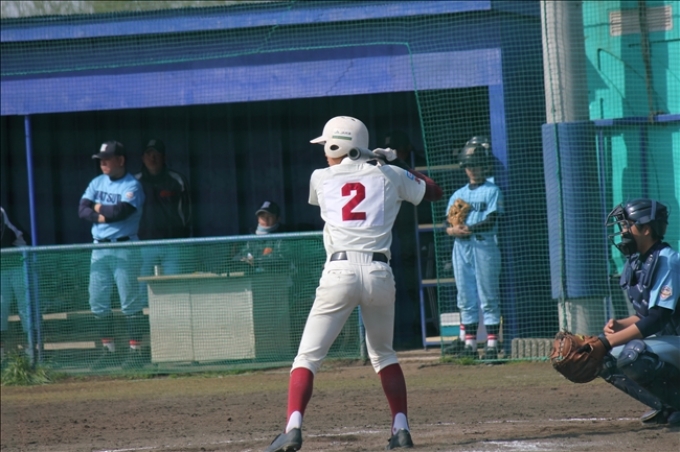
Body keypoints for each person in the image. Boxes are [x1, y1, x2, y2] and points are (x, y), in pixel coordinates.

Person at [264, 116, 443, 451]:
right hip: (378, 273)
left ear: (339, 146)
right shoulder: (389, 174)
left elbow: (344, 183)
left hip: (340, 272)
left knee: (307, 357)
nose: (325, 153)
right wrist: (397, 164)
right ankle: (401, 429)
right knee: (384, 355)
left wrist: (376, 163)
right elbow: (434, 191)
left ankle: (293, 428)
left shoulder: (320, 177)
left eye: (328, 147)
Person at [600, 198, 679, 426]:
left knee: (633, 354)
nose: (622, 231)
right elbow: (646, 315)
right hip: (673, 340)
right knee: (600, 358)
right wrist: (619, 326)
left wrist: (605, 342)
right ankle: (667, 405)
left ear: (646, 229)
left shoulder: (667, 260)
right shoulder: (639, 262)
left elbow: (657, 319)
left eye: (627, 225)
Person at [78, 141, 147, 370]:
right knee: (97, 301)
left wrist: (96, 207)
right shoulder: (97, 182)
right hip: (99, 248)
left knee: (130, 302)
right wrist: (101, 213)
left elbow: (119, 212)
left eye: (107, 159)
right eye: (101, 159)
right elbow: (82, 210)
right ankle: (110, 352)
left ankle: (136, 353)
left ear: (121, 160)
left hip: (124, 246)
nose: (103, 163)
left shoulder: (132, 185)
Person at [444, 136, 503, 360]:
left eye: (476, 165)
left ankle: (492, 345)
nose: (472, 169)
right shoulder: (459, 194)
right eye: (469, 166)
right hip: (461, 247)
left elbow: (492, 219)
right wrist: (452, 230)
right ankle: (469, 345)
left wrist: (468, 227)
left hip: (484, 244)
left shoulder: (492, 190)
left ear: (484, 166)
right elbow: (447, 222)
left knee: (488, 295)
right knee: (465, 296)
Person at [134, 139, 192, 303]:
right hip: (142, 245)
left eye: (157, 154)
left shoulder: (177, 180)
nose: (152, 158)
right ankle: (142, 319)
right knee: (142, 290)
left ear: (164, 157)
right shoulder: (133, 182)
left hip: (172, 244)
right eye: (149, 154)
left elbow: (187, 213)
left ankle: (174, 318)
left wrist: (181, 238)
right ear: (143, 158)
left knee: (174, 289)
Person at [0, 206, 30, 365]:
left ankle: (32, 351)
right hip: (2, 268)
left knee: (25, 306)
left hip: (18, 263)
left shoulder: (1, 212)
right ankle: (1, 355)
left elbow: (6, 236)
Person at [233, 201, 292, 273]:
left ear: (278, 218)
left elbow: (282, 260)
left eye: (269, 216)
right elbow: (237, 258)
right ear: (258, 219)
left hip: (278, 276)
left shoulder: (284, 237)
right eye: (262, 217)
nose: (266, 220)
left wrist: (255, 261)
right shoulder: (251, 238)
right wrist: (245, 260)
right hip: (253, 277)